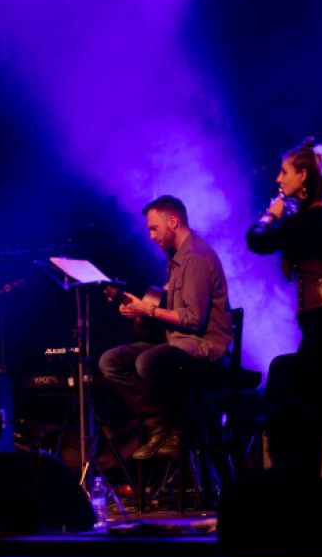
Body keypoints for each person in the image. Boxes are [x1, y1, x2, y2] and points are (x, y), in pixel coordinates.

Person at [246, 136, 322, 481]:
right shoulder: (318, 216)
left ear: (303, 175)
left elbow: (257, 240)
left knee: (308, 406)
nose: (278, 178)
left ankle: (314, 484)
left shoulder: (314, 219)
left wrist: (270, 215)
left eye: (284, 172)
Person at [99, 195, 233, 460]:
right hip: (177, 342)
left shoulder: (195, 258)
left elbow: (194, 320)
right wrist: (137, 308)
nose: (151, 236)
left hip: (202, 347)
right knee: (111, 361)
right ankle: (161, 427)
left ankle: (178, 430)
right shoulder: (176, 260)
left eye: (154, 228)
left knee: (148, 362)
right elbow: (170, 313)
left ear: (173, 221)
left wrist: (147, 310)